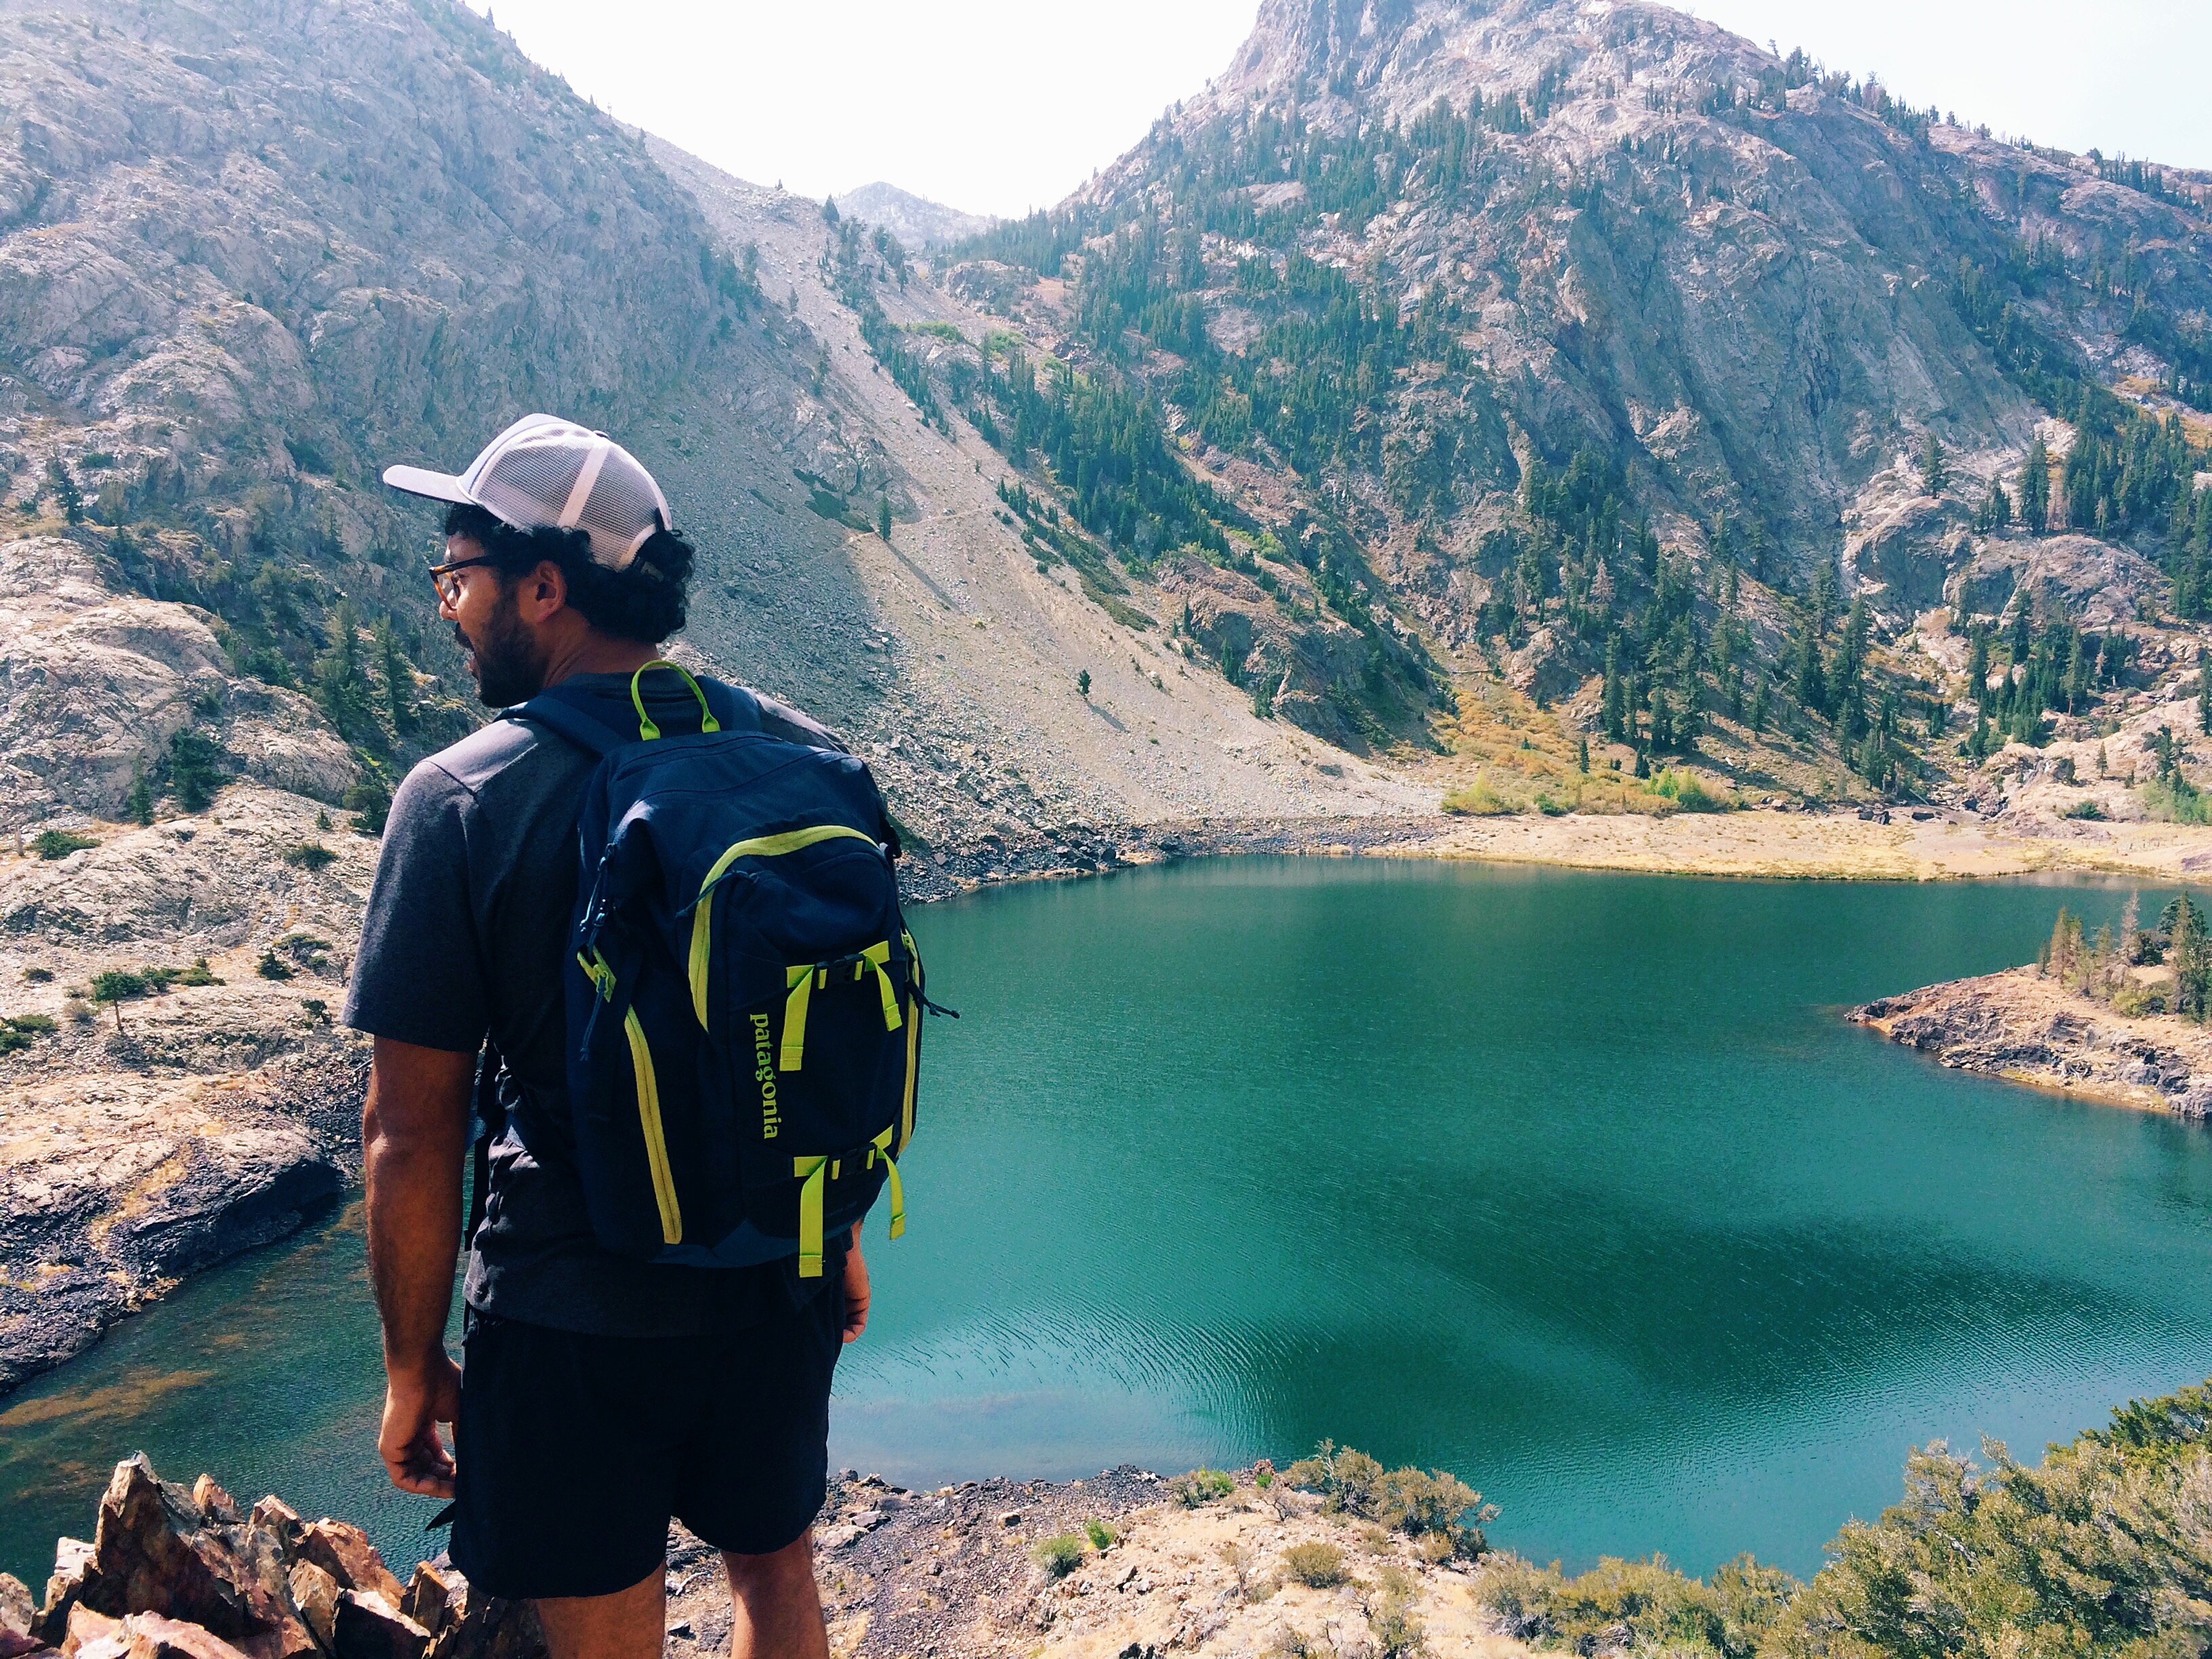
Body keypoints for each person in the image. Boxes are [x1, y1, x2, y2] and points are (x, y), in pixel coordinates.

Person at [347, 414, 866, 1659]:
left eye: (459, 575)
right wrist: (832, 1229)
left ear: (544, 584)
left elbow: (410, 1133)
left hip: (572, 1308)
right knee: (780, 1585)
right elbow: (810, 1022)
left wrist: (414, 1369)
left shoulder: (462, 797)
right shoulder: (797, 755)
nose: (450, 608)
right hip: (773, 1270)